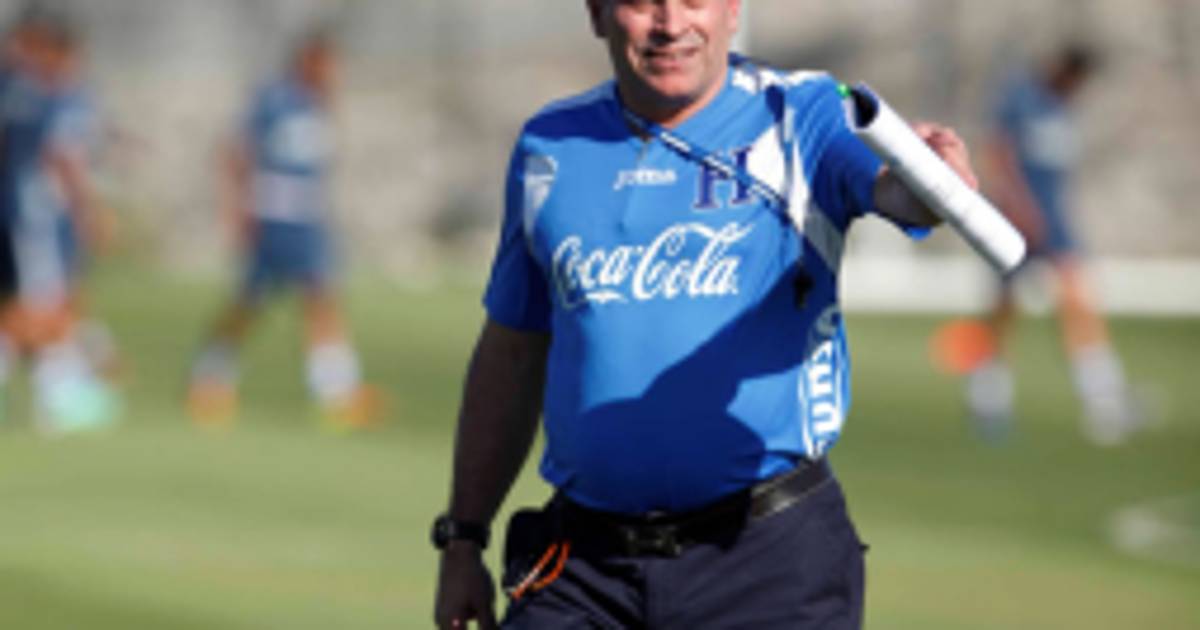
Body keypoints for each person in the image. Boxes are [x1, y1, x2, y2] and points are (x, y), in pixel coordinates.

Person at [432, 1, 979, 628]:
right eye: (643, 2)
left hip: (768, 564)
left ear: (732, 10)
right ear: (598, 13)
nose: (670, 25)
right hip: (585, 568)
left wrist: (931, 180)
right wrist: (463, 538)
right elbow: (512, 352)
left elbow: (897, 193)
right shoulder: (549, 145)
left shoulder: (800, 113)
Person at [186, 31, 378, 430]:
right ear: (306, 60)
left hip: (307, 217)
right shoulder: (275, 100)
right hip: (275, 214)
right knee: (252, 301)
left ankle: (335, 391)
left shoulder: (318, 102)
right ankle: (210, 377)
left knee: (319, 296)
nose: (331, 72)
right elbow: (238, 152)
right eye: (325, 63)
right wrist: (240, 208)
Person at [959, 44, 1141, 445]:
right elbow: (999, 155)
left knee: (1077, 302)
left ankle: (1104, 400)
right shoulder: (1021, 98)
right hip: (1014, 222)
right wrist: (1020, 208)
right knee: (1003, 311)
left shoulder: (1064, 108)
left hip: (1054, 223)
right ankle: (988, 397)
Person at [0, 10, 118, 433]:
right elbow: (62, 158)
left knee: (52, 302)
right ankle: (59, 395)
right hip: (39, 215)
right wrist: (89, 211)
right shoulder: (57, 94)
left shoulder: (15, 88)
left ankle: (61, 388)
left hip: (21, 209)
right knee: (43, 305)